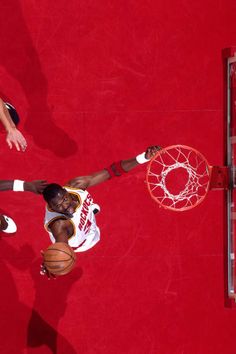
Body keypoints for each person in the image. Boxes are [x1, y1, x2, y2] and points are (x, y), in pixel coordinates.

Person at [42, 146, 161, 273]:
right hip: (84, 241)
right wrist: (52, 264)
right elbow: (62, 244)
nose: (64, 206)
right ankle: (87, 213)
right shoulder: (59, 225)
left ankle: (87, 212)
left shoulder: (76, 185)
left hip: (83, 220)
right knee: (80, 224)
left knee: (81, 211)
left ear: (66, 191)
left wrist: (144, 157)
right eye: (58, 206)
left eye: (65, 200)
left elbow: (112, 171)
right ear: (52, 208)